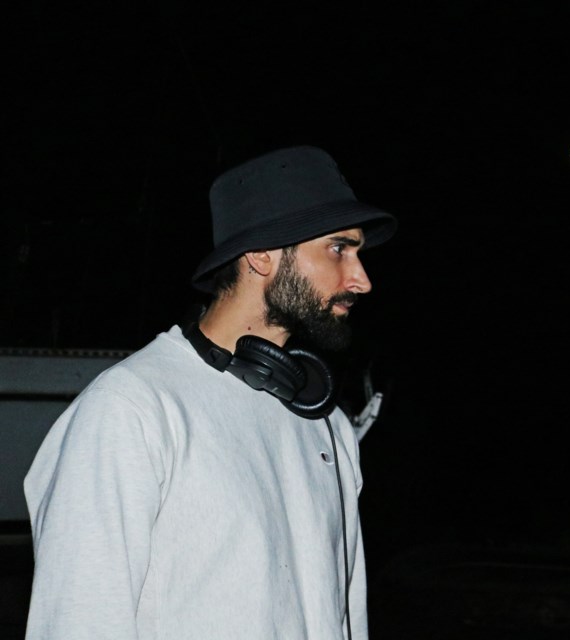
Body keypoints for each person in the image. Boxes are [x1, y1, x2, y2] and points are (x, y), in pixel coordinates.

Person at [22, 145, 397, 639]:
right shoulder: (134, 408)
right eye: (337, 248)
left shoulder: (325, 421)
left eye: (358, 253)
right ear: (262, 254)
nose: (361, 279)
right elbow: (78, 620)